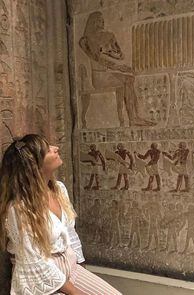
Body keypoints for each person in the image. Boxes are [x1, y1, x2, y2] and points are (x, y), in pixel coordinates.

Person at [0, 134, 122, 295]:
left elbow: (70, 233)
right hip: (39, 278)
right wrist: (76, 292)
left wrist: (80, 265)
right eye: (47, 149)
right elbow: (34, 262)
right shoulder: (19, 208)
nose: (55, 148)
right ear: (34, 164)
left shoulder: (59, 189)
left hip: (71, 267)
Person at [79, 11, 155, 127]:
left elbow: (120, 55)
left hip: (106, 73)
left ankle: (134, 116)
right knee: (127, 79)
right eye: (99, 20)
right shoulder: (85, 41)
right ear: (93, 22)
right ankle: (133, 118)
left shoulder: (108, 36)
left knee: (129, 79)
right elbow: (98, 60)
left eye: (103, 20)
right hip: (99, 78)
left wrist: (111, 52)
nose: (102, 22)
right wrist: (119, 67)